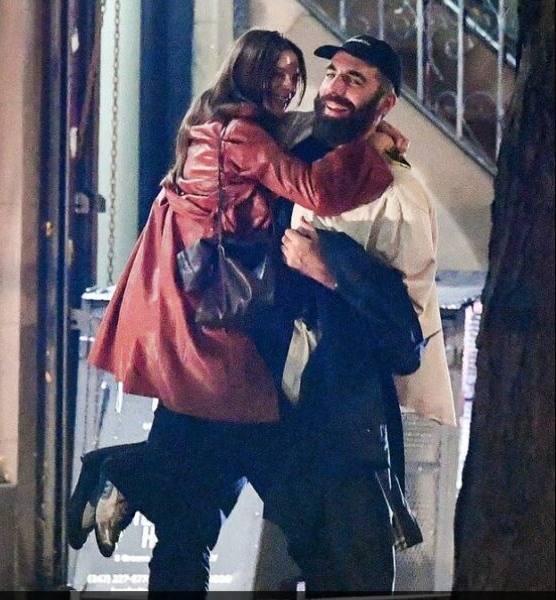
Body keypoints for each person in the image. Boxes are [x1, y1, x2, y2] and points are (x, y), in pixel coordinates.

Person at [74, 29, 400, 592]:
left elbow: (299, 140)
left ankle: (121, 474)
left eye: (295, 75)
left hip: (209, 330)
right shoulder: (244, 136)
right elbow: (314, 190)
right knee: (268, 515)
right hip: (226, 335)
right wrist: (371, 148)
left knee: (189, 519)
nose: (290, 85)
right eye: (276, 73)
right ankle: (120, 472)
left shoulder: (227, 124)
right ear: (247, 74)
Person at [252, 34, 457, 593]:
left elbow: (404, 339)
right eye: (332, 74)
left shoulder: (399, 196)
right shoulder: (305, 155)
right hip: (276, 413)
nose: (335, 88)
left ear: (384, 102)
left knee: (352, 575)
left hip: (346, 424)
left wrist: (333, 266)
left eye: (355, 79)